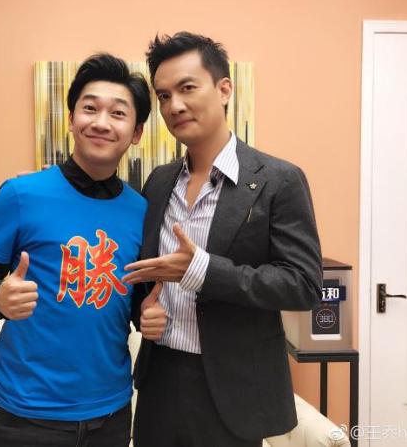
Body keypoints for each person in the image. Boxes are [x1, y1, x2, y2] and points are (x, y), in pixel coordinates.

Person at [123, 32, 323, 447]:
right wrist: (144, 311)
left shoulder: (278, 180)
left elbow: (303, 285)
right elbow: (147, 279)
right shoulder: (159, 182)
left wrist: (202, 270)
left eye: (187, 88)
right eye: (163, 96)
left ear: (224, 89)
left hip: (234, 391)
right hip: (159, 382)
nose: (174, 106)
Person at [0, 53, 151, 447]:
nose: (101, 122)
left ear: (136, 132)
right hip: (27, 414)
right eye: (90, 108)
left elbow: (130, 300)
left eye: (117, 113)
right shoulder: (20, 194)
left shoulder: (141, 210)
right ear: (71, 119)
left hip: (111, 412)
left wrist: (148, 312)